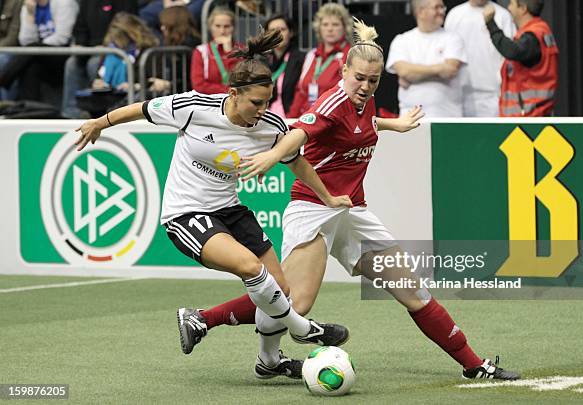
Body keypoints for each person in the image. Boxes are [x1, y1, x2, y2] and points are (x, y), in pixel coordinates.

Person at [203, 18, 521, 381]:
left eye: (373, 80)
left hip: (352, 211)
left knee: (412, 290)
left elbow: (359, 125)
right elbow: (299, 133)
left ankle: (474, 364)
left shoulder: (364, 102)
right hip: (314, 209)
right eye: (359, 78)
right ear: (344, 71)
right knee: (294, 304)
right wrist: (272, 157)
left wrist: (392, 123)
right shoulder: (334, 100)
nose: (366, 86)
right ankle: (207, 319)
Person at [74, 29, 351, 380]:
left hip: (230, 209)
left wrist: (326, 196)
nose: (262, 110)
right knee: (252, 268)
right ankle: (300, 328)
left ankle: (269, 362)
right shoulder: (193, 107)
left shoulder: (271, 126)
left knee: (279, 290)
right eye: (255, 102)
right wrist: (101, 122)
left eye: (268, 102)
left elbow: (296, 161)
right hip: (186, 213)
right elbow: (142, 109)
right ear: (233, 94)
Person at [386, 0, 467, 117]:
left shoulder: (453, 38)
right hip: (410, 118)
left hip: (447, 116)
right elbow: (404, 71)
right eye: (436, 7)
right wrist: (439, 69)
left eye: (442, 7)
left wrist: (412, 76)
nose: (442, 11)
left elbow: (450, 70)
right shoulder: (402, 40)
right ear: (420, 12)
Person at [61, 0, 140, 118]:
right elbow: (80, 28)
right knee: (72, 63)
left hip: (115, 47)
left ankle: (99, 113)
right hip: (89, 47)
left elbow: (125, 27)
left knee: (94, 63)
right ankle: (70, 112)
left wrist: (102, 45)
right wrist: (81, 44)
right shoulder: (87, 3)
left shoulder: (125, 3)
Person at [484, 0, 557, 116]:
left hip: (529, 117)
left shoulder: (532, 37)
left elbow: (511, 51)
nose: (509, 8)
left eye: (512, 4)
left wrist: (490, 24)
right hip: (531, 115)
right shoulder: (539, 31)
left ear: (523, 9)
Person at [444, 0, 515, 117]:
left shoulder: (503, 15)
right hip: (459, 97)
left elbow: (510, 56)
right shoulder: (455, 15)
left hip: (493, 96)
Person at [285, 2, 352, 118]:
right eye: (325, 24)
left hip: (333, 120)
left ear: (345, 27)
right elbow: (301, 92)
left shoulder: (350, 55)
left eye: (335, 24)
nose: (330, 29)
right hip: (306, 119)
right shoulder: (312, 56)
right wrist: (290, 121)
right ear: (319, 28)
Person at [147, 5, 201, 95]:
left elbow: (190, 78)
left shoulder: (190, 45)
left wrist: (168, 85)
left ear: (174, 24)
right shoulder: (174, 43)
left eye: (165, 25)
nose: (162, 28)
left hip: (185, 96)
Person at [190, 7, 242, 94]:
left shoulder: (243, 50)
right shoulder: (201, 51)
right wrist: (227, 90)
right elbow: (198, 85)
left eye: (227, 26)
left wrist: (229, 51)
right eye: (217, 26)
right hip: (209, 103)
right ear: (210, 27)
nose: (222, 31)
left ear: (233, 28)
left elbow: (241, 80)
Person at [263, 14, 305, 118]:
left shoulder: (302, 59)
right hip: (266, 117)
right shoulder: (262, 61)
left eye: (282, 29)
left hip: (291, 118)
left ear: (291, 33)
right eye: (272, 30)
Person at [0, 0, 24, 100]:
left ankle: (6, 107)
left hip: (12, 49)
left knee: (2, 60)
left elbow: (13, 38)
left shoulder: (17, 2)